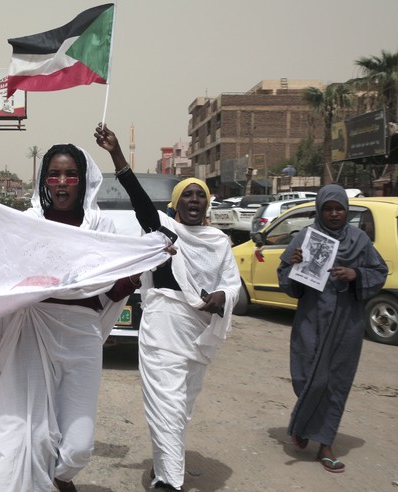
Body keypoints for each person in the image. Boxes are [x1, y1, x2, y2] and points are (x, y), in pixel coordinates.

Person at [0, 143, 141, 491]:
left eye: (70, 174)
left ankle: (57, 479)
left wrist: (135, 274)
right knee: (30, 436)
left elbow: (108, 291)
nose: (62, 182)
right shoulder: (28, 224)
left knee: (77, 447)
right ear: (44, 180)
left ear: (83, 180)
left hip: (82, 335)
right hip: (33, 330)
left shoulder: (100, 225)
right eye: (54, 174)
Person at [95, 124, 241, 491]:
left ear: (206, 205)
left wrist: (222, 297)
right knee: (167, 407)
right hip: (162, 331)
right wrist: (116, 154)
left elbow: (231, 282)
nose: (194, 200)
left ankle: (163, 469)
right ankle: (170, 482)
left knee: (179, 409)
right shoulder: (163, 229)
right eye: (187, 196)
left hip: (197, 337)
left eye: (200, 196)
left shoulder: (220, 241)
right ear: (176, 205)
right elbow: (139, 197)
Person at [276, 185, 387, 474]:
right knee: (308, 377)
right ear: (320, 210)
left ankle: (325, 445)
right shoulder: (306, 237)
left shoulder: (359, 240)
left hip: (346, 321)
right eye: (328, 208)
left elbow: (380, 272)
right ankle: (303, 424)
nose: (334, 213)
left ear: (347, 210)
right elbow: (285, 278)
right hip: (311, 317)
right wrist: (295, 266)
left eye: (339, 208)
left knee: (335, 382)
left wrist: (355, 274)